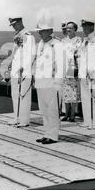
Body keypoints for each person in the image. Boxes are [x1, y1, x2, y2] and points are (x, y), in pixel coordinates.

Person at [33, 14, 63, 144]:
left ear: (50, 31)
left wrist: (58, 83)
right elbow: (37, 62)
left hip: (52, 83)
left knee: (52, 110)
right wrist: (35, 78)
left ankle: (53, 135)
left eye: (43, 30)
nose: (40, 33)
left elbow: (61, 65)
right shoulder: (40, 43)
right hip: (41, 82)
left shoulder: (57, 44)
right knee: (44, 110)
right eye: (40, 30)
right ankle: (47, 133)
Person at [8, 17, 36, 127]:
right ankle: (17, 117)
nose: (13, 27)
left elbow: (31, 54)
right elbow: (16, 53)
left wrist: (24, 67)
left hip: (23, 70)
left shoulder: (28, 36)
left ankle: (24, 120)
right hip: (16, 69)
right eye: (12, 25)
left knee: (24, 94)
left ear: (20, 22)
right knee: (15, 94)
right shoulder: (18, 35)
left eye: (15, 24)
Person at [78, 19, 95, 129]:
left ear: (92, 27)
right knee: (85, 97)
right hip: (83, 73)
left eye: (86, 27)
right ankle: (87, 120)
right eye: (83, 27)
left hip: (94, 74)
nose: (84, 29)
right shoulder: (85, 41)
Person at [61, 21, 82, 122]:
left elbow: (78, 54)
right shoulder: (63, 40)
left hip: (73, 67)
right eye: (67, 28)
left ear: (75, 29)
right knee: (65, 91)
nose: (68, 29)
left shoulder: (78, 40)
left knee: (73, 91)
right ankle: (66, 113)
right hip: (64, 68)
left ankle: (73, 114)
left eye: (70, 28)